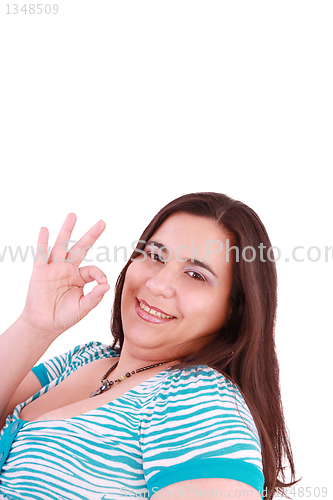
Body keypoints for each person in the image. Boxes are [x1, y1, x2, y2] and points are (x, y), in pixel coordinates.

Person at [0, 192, 299, 500]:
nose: (157, 284)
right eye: (156, 255)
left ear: (233, 309)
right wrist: (34, 325)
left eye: (195, 275)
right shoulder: (84, 358)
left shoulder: (197, 397)